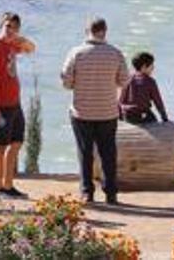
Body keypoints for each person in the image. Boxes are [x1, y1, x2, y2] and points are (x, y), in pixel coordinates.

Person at [61, 17, 129, 206]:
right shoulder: (115, 53)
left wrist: (77, 83)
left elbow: (66, 81)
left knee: (85, 152)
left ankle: (87, 192)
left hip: (82, 111)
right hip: (107, 111)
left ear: (87, 31)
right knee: (108, 152)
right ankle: (111, 193)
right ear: (105, 31)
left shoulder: (76, 53)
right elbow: (124, 80)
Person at [0, 12, 36, 200]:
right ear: (1, 26)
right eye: (7, 26)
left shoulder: (12, 45)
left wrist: (20, 39)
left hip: (15, 102)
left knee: (16, 143)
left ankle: (9, 184)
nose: (10, 30)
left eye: (14, 27)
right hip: (2, 103)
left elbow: (32, 49)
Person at [119, 52, 168, 125]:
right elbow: (158, 101)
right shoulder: (150, 81)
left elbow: (120, 100)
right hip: (142, 115)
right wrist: (165, 118)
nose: (153, 68)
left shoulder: (127, 79)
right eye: (152, 65)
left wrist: (120, 117)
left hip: (127, 115)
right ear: (144, 67)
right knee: (154, 121)